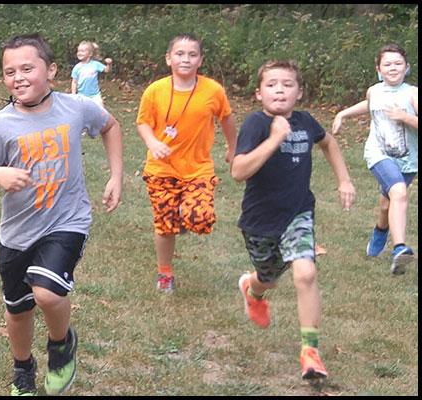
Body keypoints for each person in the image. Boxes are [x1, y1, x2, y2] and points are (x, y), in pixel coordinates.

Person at [0, 34, 123, 396]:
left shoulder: (75, 107)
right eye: (9, 71)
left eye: (27, 68)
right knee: (18, 310)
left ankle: (60, 346)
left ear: (50, 70)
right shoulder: (1, 124)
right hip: (18, 233)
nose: (18, 77)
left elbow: (110, 125)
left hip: (67, 221)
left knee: (48, 294)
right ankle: (23, 367)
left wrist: (116, 177)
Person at [231, 59, 356, 381]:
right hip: (260, 221)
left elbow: (328, 142)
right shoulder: (256, 125)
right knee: (269, 277)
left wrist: (344, 180)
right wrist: (274, 138)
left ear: (298, 92)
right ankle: (254, 288)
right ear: (259, 93)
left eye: (287, 84)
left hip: (298, 213)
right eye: (272, 84)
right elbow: (238, 171)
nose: (280, 90)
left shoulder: (306, 121)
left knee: (305, 272)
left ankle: (310, 352)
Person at [136, 34, 237, 293]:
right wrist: (152, 142)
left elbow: (226, 119)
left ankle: (184, 213)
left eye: (192, 55)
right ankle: (165, 274)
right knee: (165, 227)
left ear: (200, 61)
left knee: (200, 219)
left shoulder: (213, 90)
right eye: (180, 54)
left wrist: (233, 147)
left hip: (198, 169)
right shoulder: (155, 91)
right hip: (162, 169)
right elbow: (143, 122)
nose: (186, 59)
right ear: (168, 58)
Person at [332, 44, 419, 274]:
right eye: (387, 64)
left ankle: (380, 230)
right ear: (379, 69)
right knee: (399, 192)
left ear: (407, 68)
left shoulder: (412, 94)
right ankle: (399, 249)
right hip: (379, 155)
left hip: (408, 160)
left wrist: (405, 117)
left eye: (398, 63)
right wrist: (343, 114)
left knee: (387, 205)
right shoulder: (374, 91)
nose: (393, 68)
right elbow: (369, 105)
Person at [69, 40, 113, 109]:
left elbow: (107, 70)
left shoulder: (95, 64)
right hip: (82, 95)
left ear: (90, 54)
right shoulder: (77, 67)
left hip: (95, 95)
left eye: (82, 51)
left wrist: (109, 64)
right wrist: (73, 95)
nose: (79, 53)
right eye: (78, 51)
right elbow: (74, 82)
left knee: (101, 111)